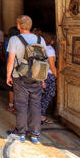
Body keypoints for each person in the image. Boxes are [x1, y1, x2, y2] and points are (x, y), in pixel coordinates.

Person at [6, 15, 47, 144]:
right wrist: (43, 78)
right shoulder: (41, 39)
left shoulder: (15, 39)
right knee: (36, 105)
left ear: (19, 26)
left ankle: (21, 133)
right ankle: (35, 134)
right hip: (37, 76)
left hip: (21, 76)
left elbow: (11, 60)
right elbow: (44, 60)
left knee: (22, 105)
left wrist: (8, 75)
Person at [41, 32, 57, 125]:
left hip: (40, 75)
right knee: (47, 96)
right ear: (51, 41)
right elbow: (52, 66)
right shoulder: (50, 49)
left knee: (39, 96)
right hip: (49, 75)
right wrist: (56, 76)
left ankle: (36, 115)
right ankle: (41, 116)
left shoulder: (40, 48)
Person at [4, 26, 20, 113]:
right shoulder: (18, 42)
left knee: (11, 87)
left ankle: (11, 105)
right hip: (16, 66)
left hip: (9, 64)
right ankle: (19, 106)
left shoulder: (7, 42)